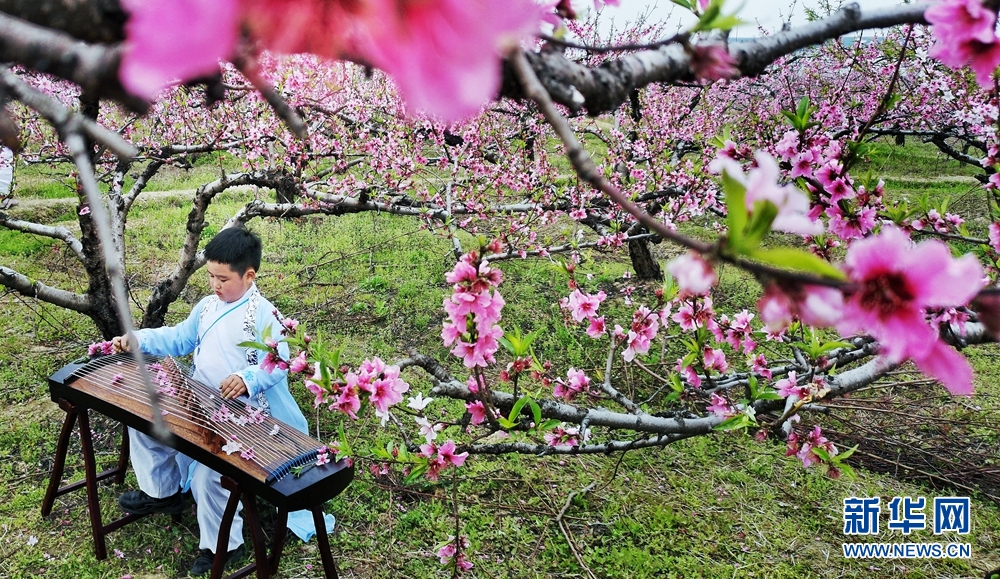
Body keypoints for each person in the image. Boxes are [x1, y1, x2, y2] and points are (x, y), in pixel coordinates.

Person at [112, 227, 307, 576]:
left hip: (248, 416)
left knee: (209, 476)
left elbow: (280, 362)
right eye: (211, 277)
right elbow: (178, 338)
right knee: (142, 420)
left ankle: (224, 545)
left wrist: (247, 379)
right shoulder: (207, 307)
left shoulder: (265, 315)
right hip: (200, 398)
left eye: (223, 279)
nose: (215, 285)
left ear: (249, 276)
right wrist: (139, 338)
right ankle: (162, 491)